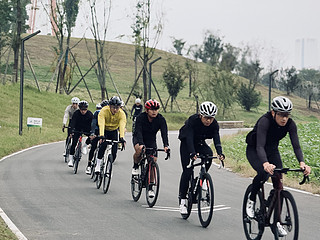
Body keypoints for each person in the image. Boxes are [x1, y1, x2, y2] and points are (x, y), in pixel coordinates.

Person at [245, 96, 311, 236]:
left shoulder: (290, 124)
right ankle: (251, 200)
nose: (284, 119)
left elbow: (296, 146)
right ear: (273, 112)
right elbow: (260, 146)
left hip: (272, 151)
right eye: (281, 115)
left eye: (287, 115)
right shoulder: (265, 121)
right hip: (255, 150)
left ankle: (277, 221)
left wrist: (302, 163)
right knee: (263, 173)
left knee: (279, 185)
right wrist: (265, 163)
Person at [178, 101, 225, 214]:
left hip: (199, 142)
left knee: (209, 155)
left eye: (211, 118)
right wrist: (192, 153)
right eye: (206, 118)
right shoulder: (193, 121)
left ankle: (202, 178)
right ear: (200, 115)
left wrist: (220, 153)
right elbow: (189, 138)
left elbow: (216, 138)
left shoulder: (214, 124)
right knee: (187, 170)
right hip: (187, 143)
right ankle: (183, 200)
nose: (208, 121)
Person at [132, 99, 169, 198]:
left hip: (151, 140)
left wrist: (166, 145)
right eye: (152, 109)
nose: (154, 111)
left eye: (156, 109)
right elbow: (138, 131)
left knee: (153, 161)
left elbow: (164, 133)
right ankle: (135, 165)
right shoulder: (141, 117)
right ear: (147, 110)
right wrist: (141, 144)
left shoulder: (161, 119)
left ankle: (151, 187)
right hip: (139, 137)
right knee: (139, 150)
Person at [95, 96, 127, 172]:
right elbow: (101, 123)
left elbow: (122, 126)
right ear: (109, 106)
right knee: (103, 146)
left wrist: (122, 137)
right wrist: (101, 135)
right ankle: (98, 165)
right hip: (105, 130)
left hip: (113, 131)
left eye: (117, 107)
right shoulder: (104, 111)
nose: (115, 110)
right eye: (113, 107)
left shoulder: (121, 114)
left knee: (114, 151)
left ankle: (108, 165)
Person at [68, 100, 93, 167]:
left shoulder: (90, 114)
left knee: (92, 138)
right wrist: (71, 131)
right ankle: (70, 159)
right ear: (79, 109)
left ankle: (85, 146)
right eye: (81, 109)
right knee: (74, 143)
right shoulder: (76, 113)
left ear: (87, 109)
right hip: (77, 128)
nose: (83, 111)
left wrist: (92, 133)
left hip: (86, 129)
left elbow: (92, 124)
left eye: (84, 110)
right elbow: (72, 123)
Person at [85, 101, 108, 174]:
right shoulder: (97, 113)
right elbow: (93, 123)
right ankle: (89, 165)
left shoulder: (109, 114)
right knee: (93, 147)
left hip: (105, 132)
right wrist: (92, 133)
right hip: (97, 130)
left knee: (104, 146)